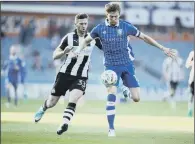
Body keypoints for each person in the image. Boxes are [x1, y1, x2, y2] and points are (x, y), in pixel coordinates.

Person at [74, 2, 176, 137]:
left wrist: (163, 48)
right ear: (107, 15)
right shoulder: (99, 29)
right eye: (111, 16)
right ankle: (111, 129)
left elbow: (145, 37)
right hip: (110, 66)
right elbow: (86, 40)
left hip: (127, 64)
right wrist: (78, 50)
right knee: (111, 95)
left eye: (116, 16)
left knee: (136, 98)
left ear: (119, 15)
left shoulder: (126, 26)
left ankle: (126, 90)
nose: (114, 19)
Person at [34, 13, 102, 135]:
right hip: (65, 74)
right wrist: (63, 52)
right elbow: (55, 55)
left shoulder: (93, 39)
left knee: (74, 98)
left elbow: (107, 49)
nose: (83, 26)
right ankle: (43, 108)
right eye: (81, 23)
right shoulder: (68, 38)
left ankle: (64, 123)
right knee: (52, 102)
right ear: (75, 24)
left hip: (81, 75)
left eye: (85, 23)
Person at [185, 50, 194, 117]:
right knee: (191, 95)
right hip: (193, 79)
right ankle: (190, 110)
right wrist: (192, 63)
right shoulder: (192, 53)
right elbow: (187, 65)